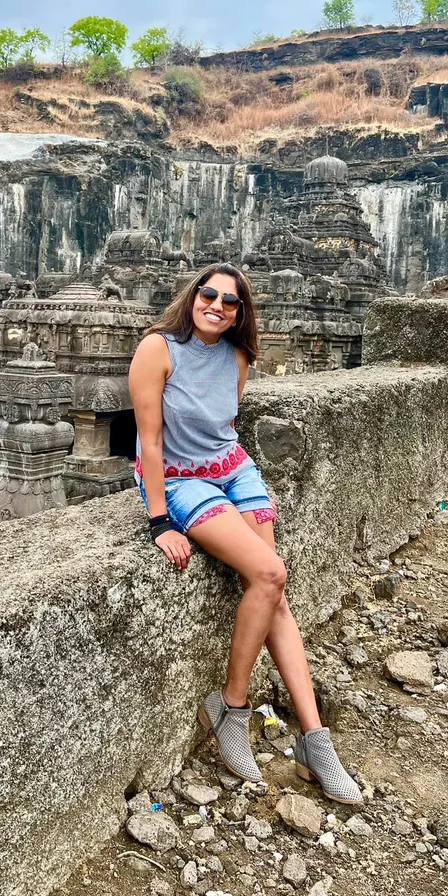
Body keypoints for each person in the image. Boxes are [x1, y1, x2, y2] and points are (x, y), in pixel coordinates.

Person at [128, 262, 362, 805]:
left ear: (240, 313)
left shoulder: (236, 357)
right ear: (192, 297)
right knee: (270, 572)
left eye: (230, 302)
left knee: (273, 592)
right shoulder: (157, 349)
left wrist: (239, 477)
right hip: (182, 479)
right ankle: (233, 708)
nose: (216, 305)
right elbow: (151, 442)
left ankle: (313, 738)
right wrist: (161, 520)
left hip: (233, 468)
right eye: (208, 294)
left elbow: (223, 430)